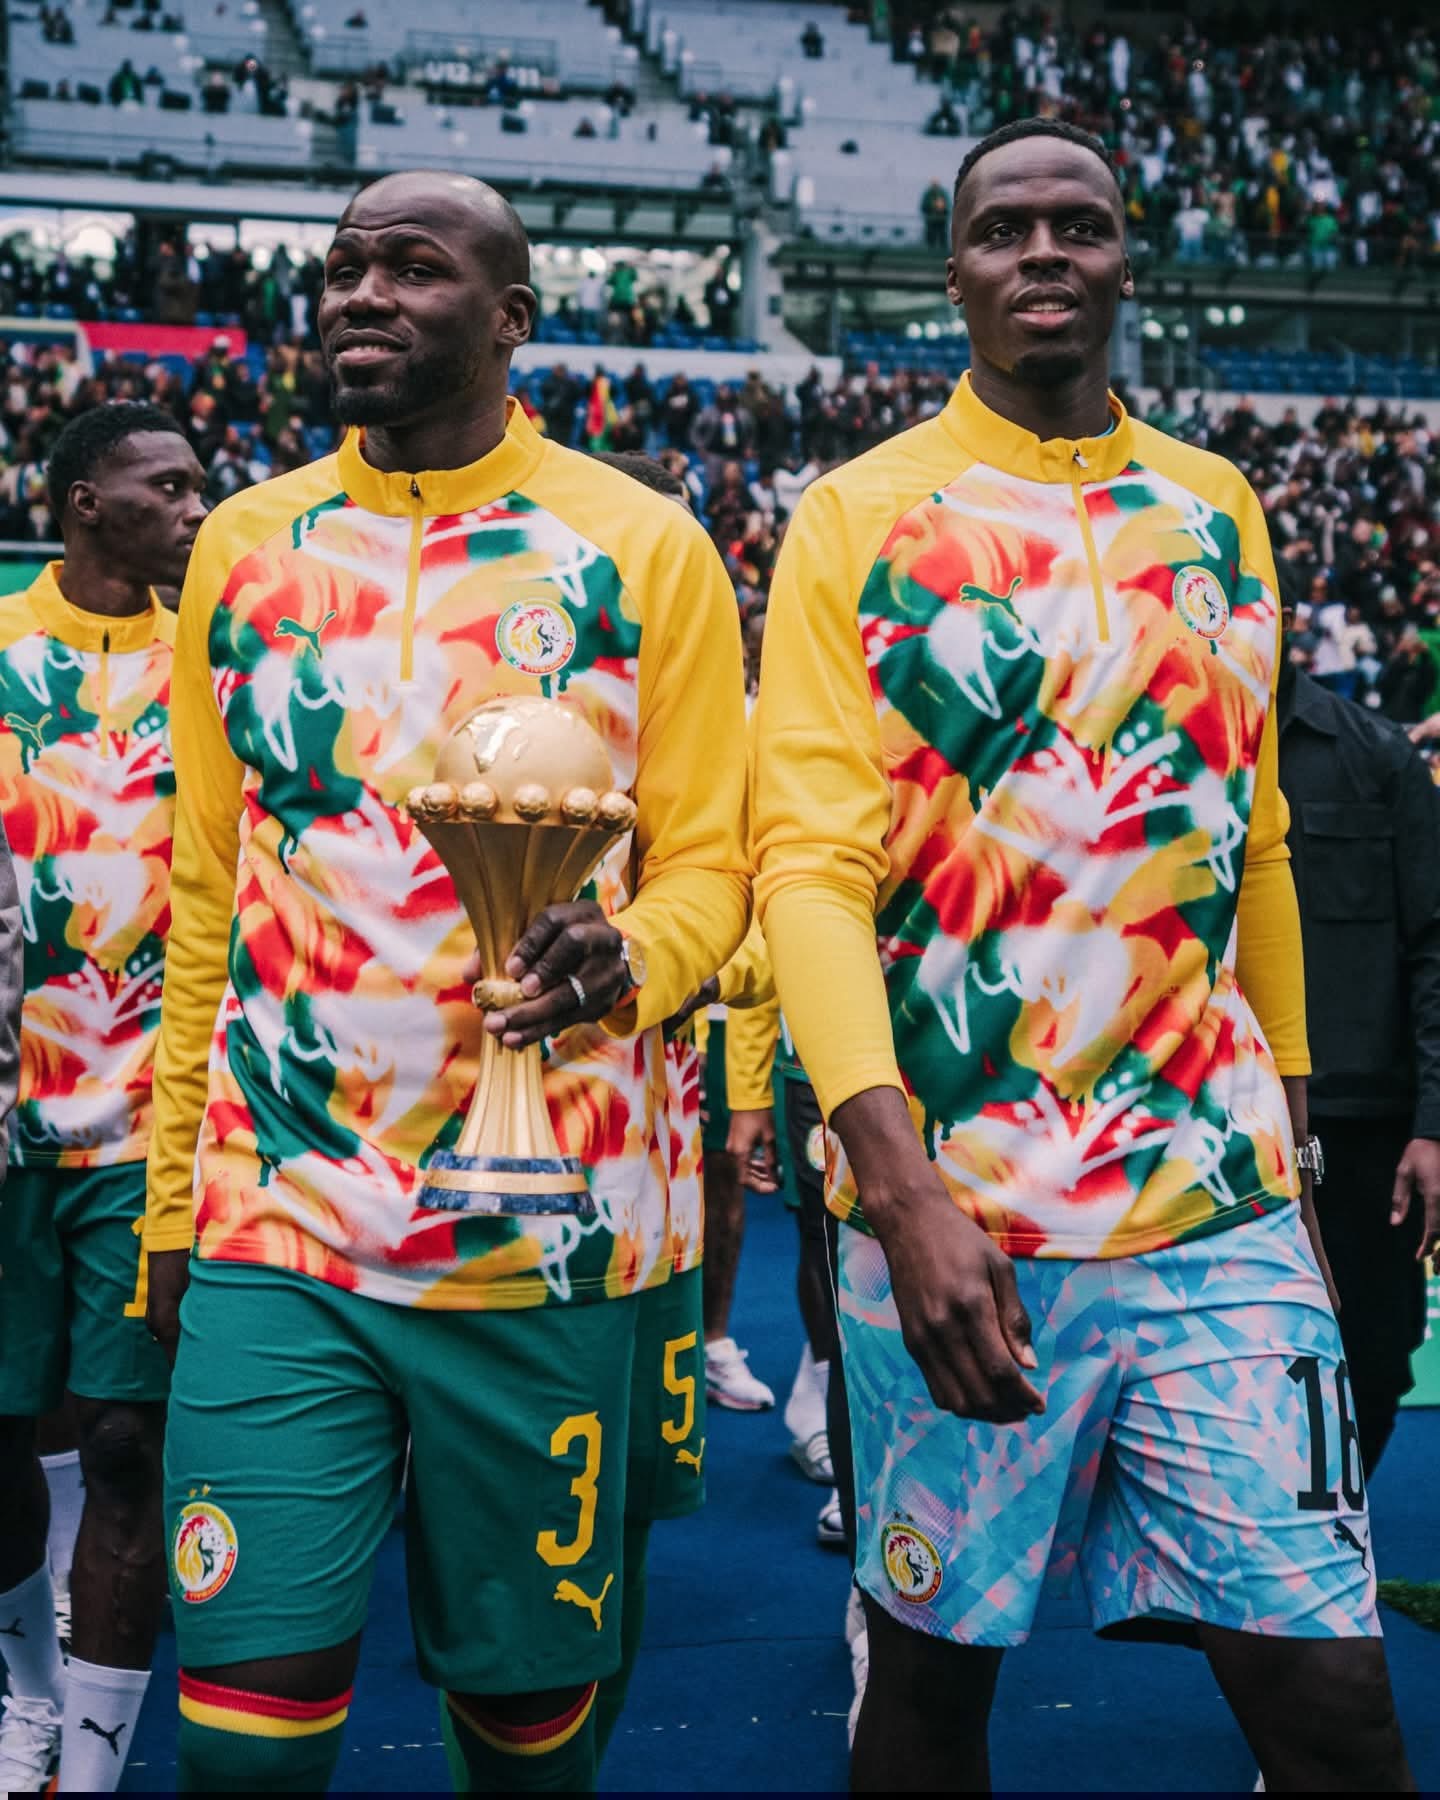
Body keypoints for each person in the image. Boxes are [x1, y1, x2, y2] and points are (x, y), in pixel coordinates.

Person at [753, 118, 1411, 1793]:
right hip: (960, 1216)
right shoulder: (859, 517)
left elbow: (1249, 843)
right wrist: (898, 1198)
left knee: (1335, 1711)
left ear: (1128, 260)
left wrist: (1306, 1150)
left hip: (1217, 1207)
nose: (1043, 251)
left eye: (1080, 225)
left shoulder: (1220, 509)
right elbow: (811, 872)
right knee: (928, 1697)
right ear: (954, 270)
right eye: (1003, 229)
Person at [141, 171, 749, 1795]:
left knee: (529, 1751)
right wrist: (166, 1204)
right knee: (244, 1746)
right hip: (285, 1215)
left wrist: (638, 958)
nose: (364, 294)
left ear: (514, 318)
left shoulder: (644, 548)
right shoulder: (243, 549)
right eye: (346, 268)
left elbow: (717, 871)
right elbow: (209, 894)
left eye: (416, 269)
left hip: (549, 1231)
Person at [0, 403, 207, 1795]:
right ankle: (25, 1692)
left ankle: (89, 1759)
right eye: (168, 486)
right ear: (81, 503)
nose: (199, 508)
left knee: (129, 1439)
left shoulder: (220, 656)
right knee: (7, 1435)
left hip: (152, 1114)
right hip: (10, 1115)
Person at [1278, 629, 1440, 1474]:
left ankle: (1335, 1549)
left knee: (1372, 1361)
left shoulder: (1377, 757)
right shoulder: (1151, 756)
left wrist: (1433, 1124)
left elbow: (1435, 945)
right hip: (1197, 1121)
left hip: (1359, 1133)